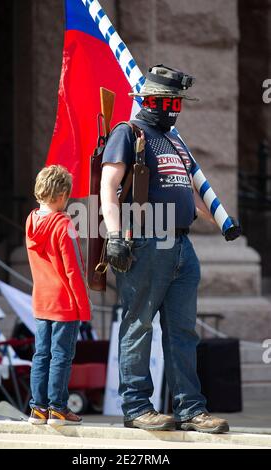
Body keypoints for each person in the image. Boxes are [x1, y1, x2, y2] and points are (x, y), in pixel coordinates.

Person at [101, 65, 241, 433]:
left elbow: (182, 190)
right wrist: (114, 235)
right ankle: (136, 407)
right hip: (145, 240)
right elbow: (108, 184)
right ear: (153, 101)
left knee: (183, 331)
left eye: (178, 101)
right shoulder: (127, 132)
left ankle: (191, 410)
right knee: (139, 325)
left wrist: (218, 220)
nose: (176, 107)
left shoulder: (175, 140)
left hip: (180, 242)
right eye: (172, 100)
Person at [26, 164, 91, 425]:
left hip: (41, 300)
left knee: (41, 355)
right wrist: (84, 307)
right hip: (64, 302)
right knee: (61, 357)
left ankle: (37, 408)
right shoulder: (64, 225)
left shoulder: (31, 221)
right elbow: (73, 269)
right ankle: (57, 408)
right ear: (63, 194)